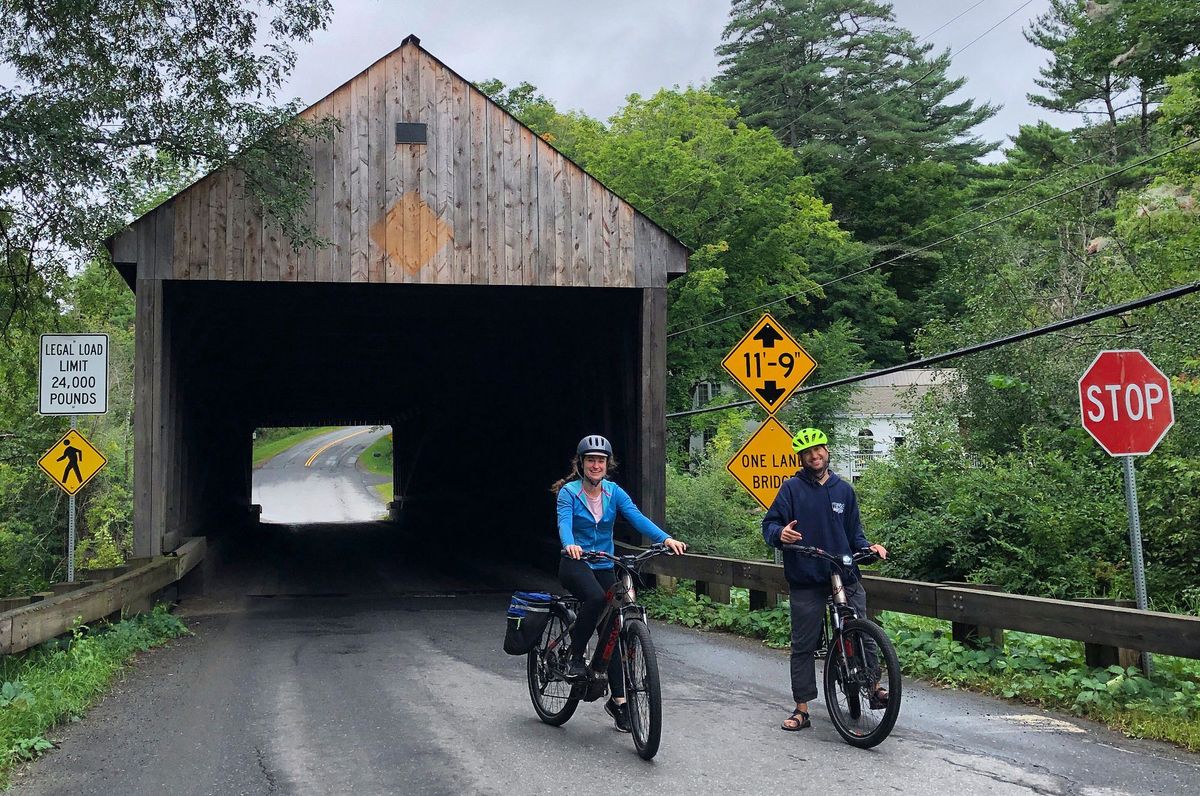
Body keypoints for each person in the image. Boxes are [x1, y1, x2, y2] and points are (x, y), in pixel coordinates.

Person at [553, 434, 687, 733]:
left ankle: (620, 703)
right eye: (591, 460)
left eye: (601, 460)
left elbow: (637, 518)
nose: (596, 465)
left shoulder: (614, 493)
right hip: (575, 563)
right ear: (581, 464)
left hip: (604, 564)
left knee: (612, 631)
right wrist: (570, 543)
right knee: (597, 599)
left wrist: (664, 538)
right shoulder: (569, 493)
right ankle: (575, 657)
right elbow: (564, 523)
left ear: (607, 465)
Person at [761, 427, 888, 732]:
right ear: (801, 458)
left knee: (864, 630)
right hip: (807, 575)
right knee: (803, 644)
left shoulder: (844, 490)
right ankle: (802, 708)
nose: (814, 456)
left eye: (818, 450)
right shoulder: (791, 489)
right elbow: (769, 526)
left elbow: (854, 534)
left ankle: (873, 688)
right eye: (807, 453)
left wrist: (869, 548)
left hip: (843, 573)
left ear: (827, 451)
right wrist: (781, 534)